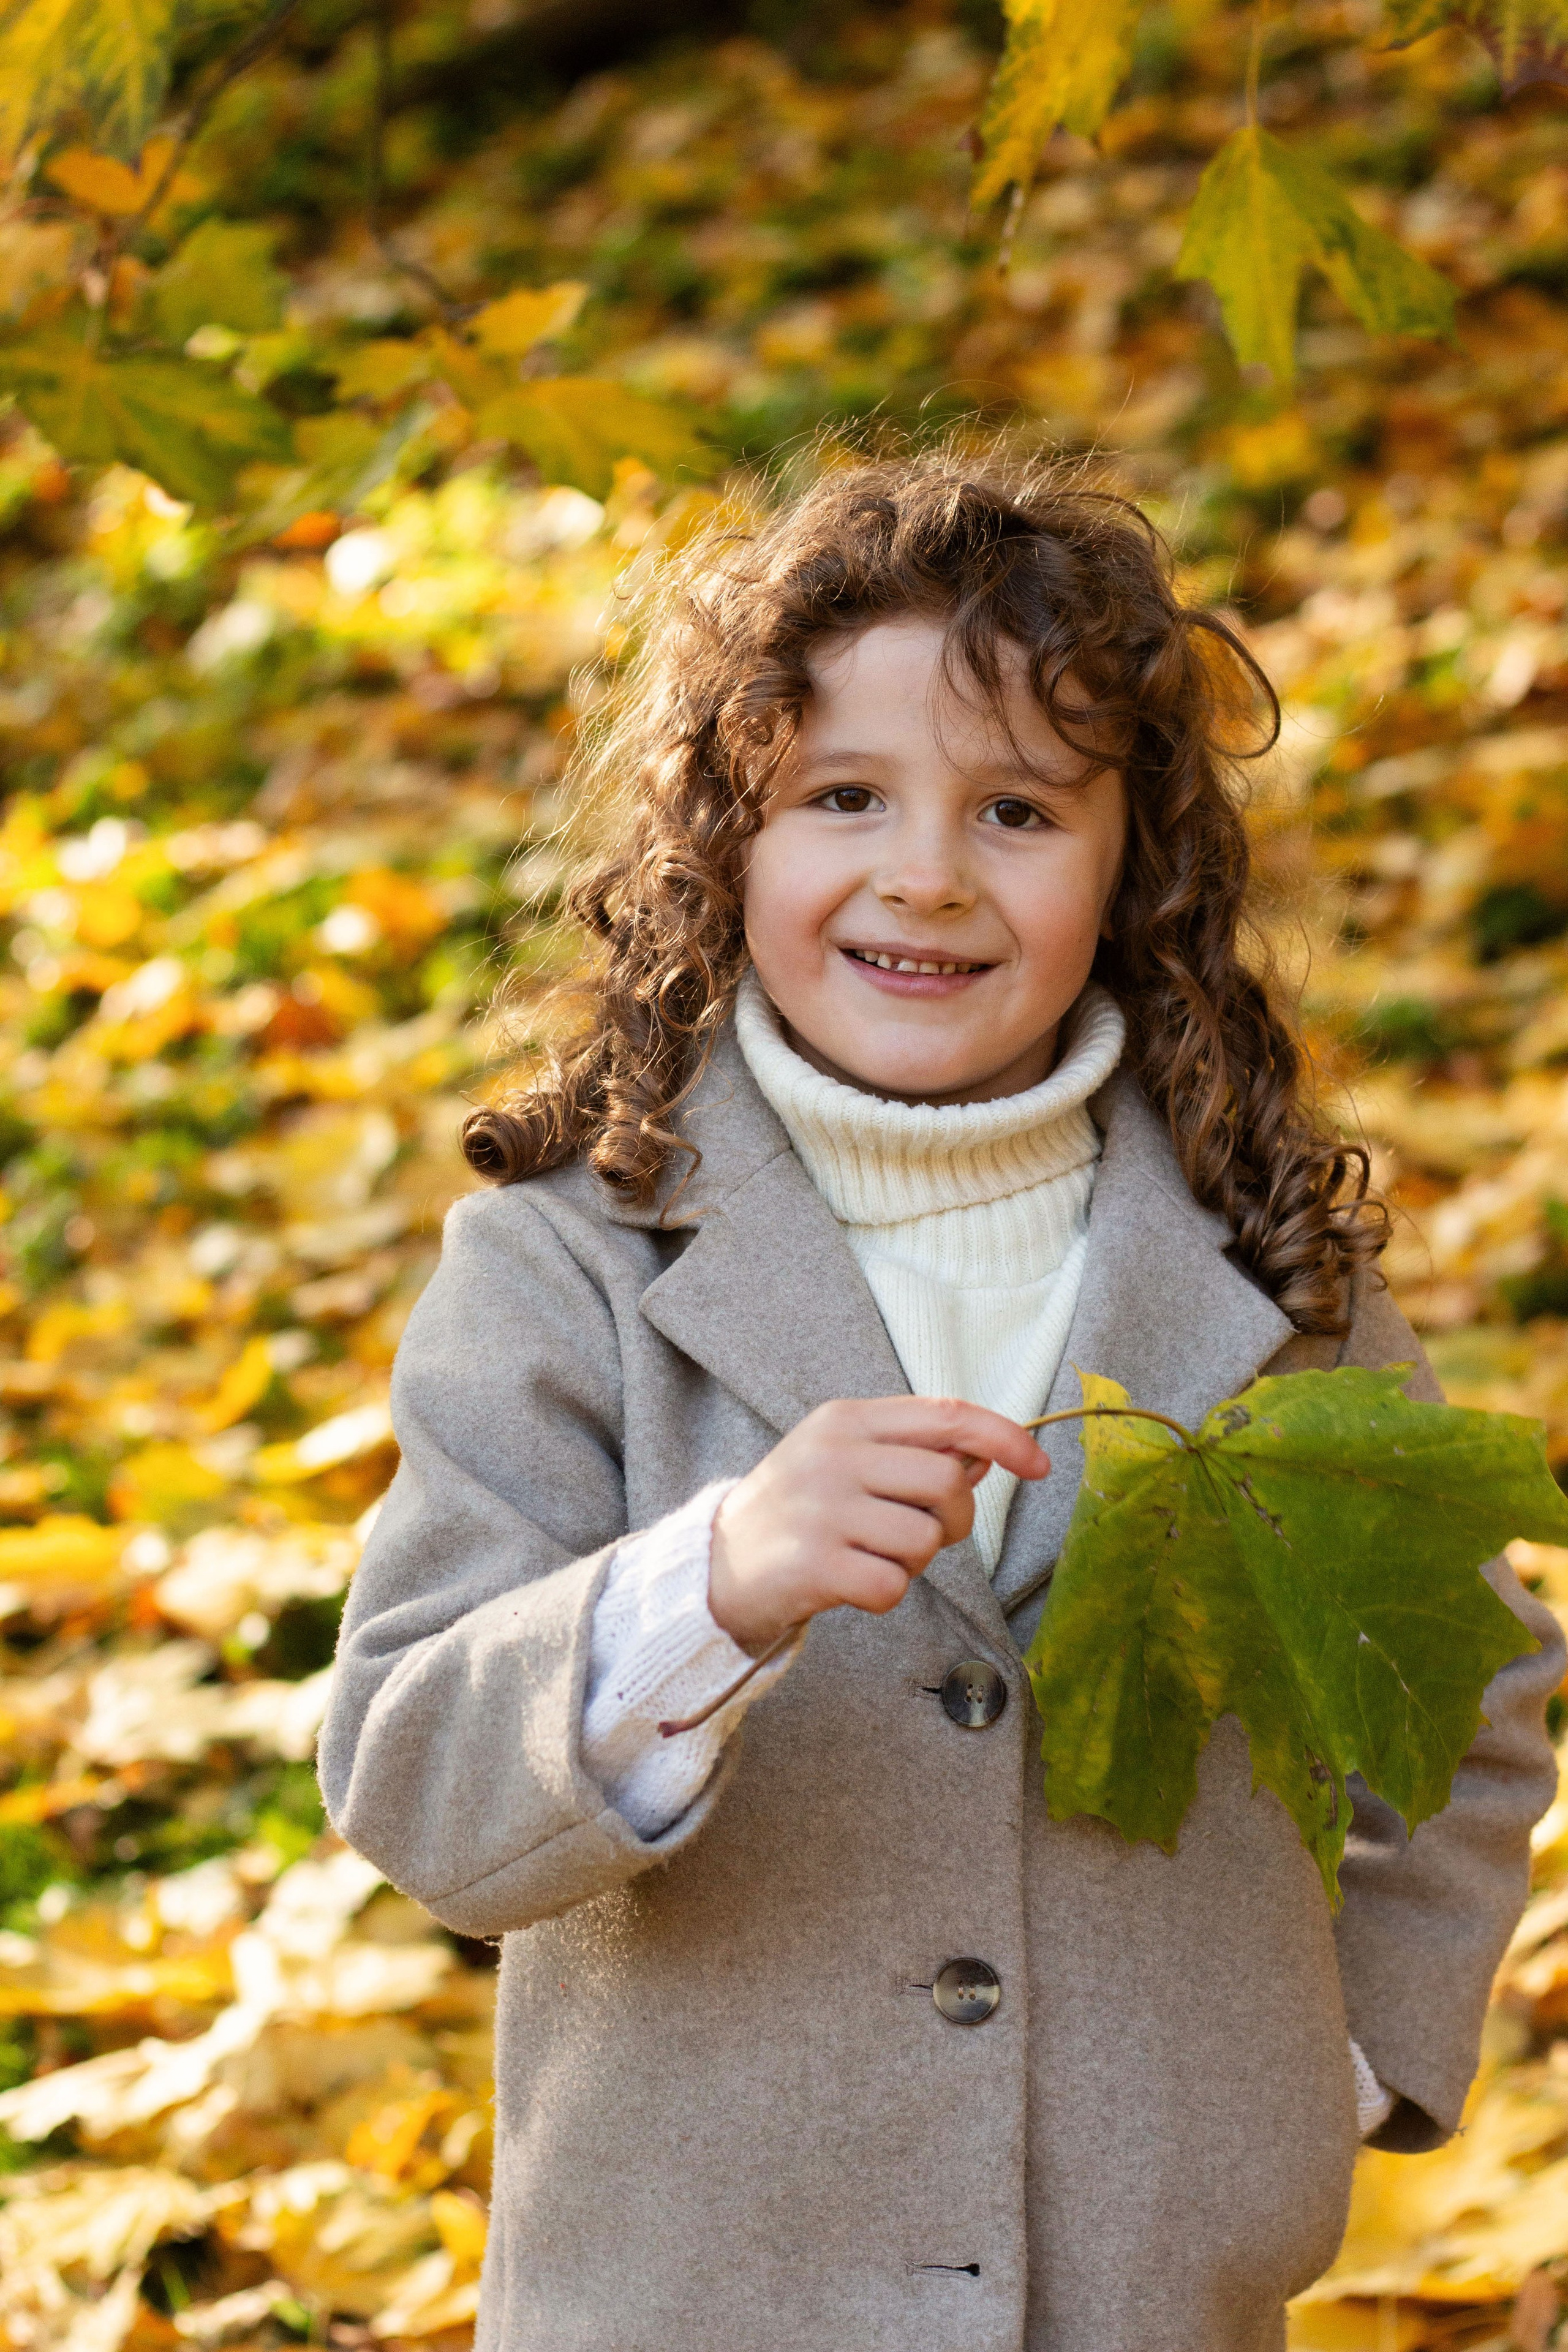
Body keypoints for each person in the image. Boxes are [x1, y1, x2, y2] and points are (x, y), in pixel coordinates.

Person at [318, 448, 1563, 2352]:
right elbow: (413, 1773)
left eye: (1016, 809)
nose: (925, 872)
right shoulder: (571, 1263)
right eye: (841, 798)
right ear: (723, 837)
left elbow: (1464, 1688)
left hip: (1147, 2286)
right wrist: (711, 1586)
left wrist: (1342, 2059)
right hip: (687, 2285)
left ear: (1133, 859)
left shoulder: (1265, 1266)